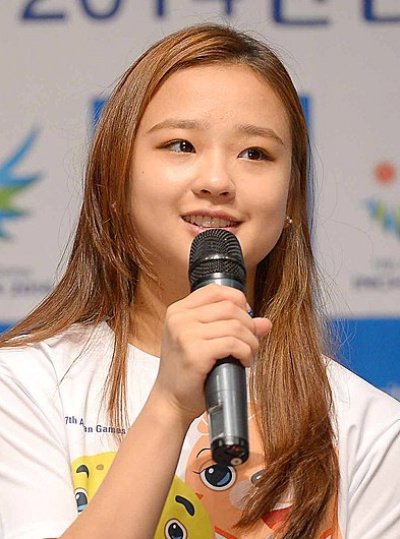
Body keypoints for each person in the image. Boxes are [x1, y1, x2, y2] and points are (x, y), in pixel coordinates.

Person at [0, 23, 399, 539]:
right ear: (114, 180)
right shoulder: (26, 386)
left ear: (291, 198)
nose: (216, 181)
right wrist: (168, 408)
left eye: (255, 153)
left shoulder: (366, 423)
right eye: (181, 145)